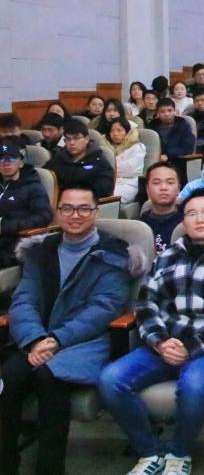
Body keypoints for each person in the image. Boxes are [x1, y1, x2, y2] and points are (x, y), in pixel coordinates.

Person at [99, 188, 204, 475]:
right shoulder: (167, 256)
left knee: (193, 386)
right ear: (183, 221)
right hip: (162, 345)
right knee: (111, 380)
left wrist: (191, 347)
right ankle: (150, 452)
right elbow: (145, 303)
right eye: (191, 214)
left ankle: (179, 453)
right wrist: (160, 342)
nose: (199, 219)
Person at [0, 183, 133, 475]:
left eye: (84, 208)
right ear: (57, 212)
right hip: (37, 339)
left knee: (51, 377)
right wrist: (36, 339)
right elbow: (24, 300)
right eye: (68, 208)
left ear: (96, 212)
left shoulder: (112, 253)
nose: (75, 215)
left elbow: (103, 309)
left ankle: (50, 467)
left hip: (85, 341)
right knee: (9, 376)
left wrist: (57, 339)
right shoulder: (40, 251)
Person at [0, 137, 53, 266]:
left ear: (21, 163)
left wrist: (6, 227)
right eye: (1, 159)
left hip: (15, 241)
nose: (6, 163)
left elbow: (43, 217)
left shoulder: (33, 186)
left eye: (11, 158)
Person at [44, 119, 114, 198]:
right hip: (60, 201)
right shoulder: (59, 158)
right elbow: (45, 178)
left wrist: (78, 194)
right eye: (68, 139)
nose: (72, 143)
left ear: (87, 139)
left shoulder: (98, 160)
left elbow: (105, 188)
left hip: (87, 202)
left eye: (76, 138)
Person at [140, 162, 183, 254]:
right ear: (147, 189)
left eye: (170, 182)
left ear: (178, 188)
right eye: (156, 183)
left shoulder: (188, 222)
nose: (163, 187)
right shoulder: (139, 226)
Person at [104, 117, 146, 203]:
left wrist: (110, 169)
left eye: (119, 130)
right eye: (112, 131)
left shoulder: (137, 147)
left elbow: (130, 169)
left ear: (127, 131)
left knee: (109, 197)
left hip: (128, 183)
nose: (115, 134)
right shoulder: (106, 148)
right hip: (108, 181)